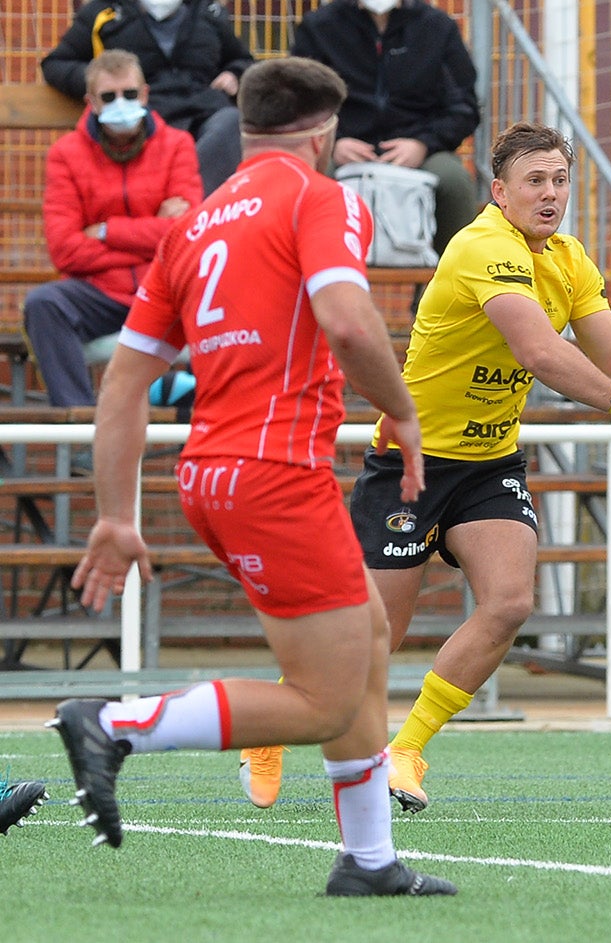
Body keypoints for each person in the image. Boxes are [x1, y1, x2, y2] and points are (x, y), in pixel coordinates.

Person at [51, 56, 455, 897]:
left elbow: (122, 383)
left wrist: (116, 515)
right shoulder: (320, 195)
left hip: (209, 475)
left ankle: (370, 860)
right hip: (276, 473)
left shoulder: (192, 227)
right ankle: (117, 724)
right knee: (325, 703)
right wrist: (405, 412)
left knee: (366, 644)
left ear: (248, 129)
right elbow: (347, 322)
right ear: (323, 132)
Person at [238, 121, 611, 813]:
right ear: (499, 191)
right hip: (413, 459)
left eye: (559, 180)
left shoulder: (569, 258)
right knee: (368, 638)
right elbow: (540, 354)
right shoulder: (484, 245)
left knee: (510, 600)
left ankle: (408, 747)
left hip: (488, 462)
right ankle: (267, 730)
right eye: (535, 181)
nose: (550, 194)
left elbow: (610, 361)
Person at [23, 50, 202, 410]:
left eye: (130, 94)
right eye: (109, 96)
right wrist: (155, 234)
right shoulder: (66, 153)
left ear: (146, 94)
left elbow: (188, 235)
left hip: (164, 288)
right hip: (100, 294)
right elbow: (65, 249)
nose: (122, 104)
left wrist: (106, 231)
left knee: (221, 290)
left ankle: (209, 429)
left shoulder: (177, 144)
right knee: (44, 304)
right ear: (90, 102)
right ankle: (83, 434)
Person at [290, 0, 481, 256]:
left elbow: (464, 106)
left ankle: (450, 285)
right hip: (339, 148)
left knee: (454, 182)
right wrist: (333, 142)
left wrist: (424, 143)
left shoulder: (437, 26)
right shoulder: (319, 26)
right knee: (310, 182)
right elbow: (298, 100)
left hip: (420, 149)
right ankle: (314, 283)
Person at [42, 0, 254, 195]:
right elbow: (56, 64)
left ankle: (185, 206)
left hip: (205, 113)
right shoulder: (104, 12)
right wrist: (102, 81)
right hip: (144, 118)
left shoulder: (209, 11)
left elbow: (242, 60)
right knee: (154, 141)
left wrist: (234, 73)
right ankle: (181, 210)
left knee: (231, 122)